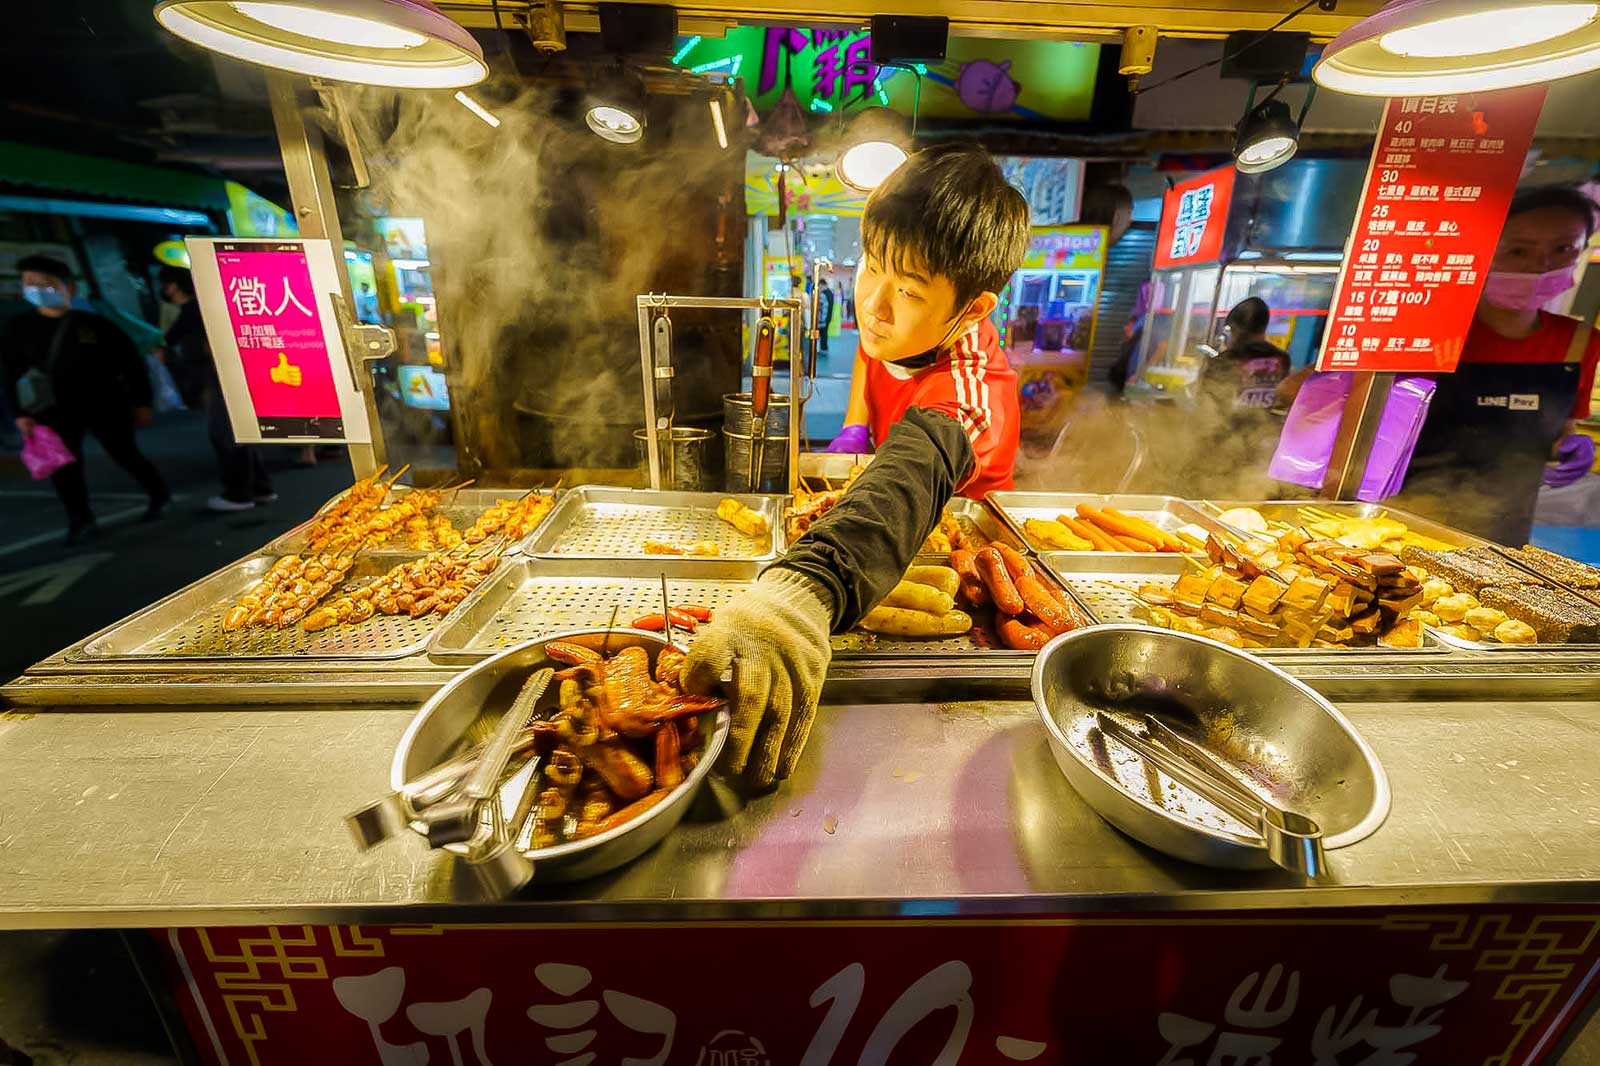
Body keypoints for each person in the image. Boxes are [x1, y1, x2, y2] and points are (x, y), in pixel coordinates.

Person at [685, 143, 1029, 786]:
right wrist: (853, 425)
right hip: (880, 510)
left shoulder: (972, 391)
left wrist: (806, 590)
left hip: (952, 571)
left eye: (907, 290)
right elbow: (874, 351)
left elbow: (915, 471)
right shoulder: (905, 324)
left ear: (973, 310)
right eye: (872, 267)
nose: (873, 303)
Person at [1399, 186, 1600, 545]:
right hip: (1406, 516)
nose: (1540, 266)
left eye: (1562, 249)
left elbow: (1561, 432)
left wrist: (1569, 448)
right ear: (1486, 251)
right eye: (1519, 250)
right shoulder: (1430, 331)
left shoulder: (1580, 343)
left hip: (1506, 529)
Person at [3, 254, 169, 543]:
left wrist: (142, 402)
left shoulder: (95, 325)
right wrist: (19, 413)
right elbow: (9, 373)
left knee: (124, 453)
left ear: (70, 288)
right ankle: (80, 519)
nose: (38, 289)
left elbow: (131, 364)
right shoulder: (18, 328)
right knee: (63, 467)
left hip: (104, 403)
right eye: (30, 283)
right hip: (49, 409)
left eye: (47, 283)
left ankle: (158, 494)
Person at [157, 265, 276, 512]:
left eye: (166, 283)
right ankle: (260, 488)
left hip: (219, 380)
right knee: (240, 433)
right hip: (225, 378)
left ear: (174, 286)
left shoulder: (192, 312)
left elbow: (169, 340)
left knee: (227, 435)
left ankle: (240, 493)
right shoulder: (201, 309)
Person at [816, 278, 834, 354]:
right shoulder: (830, 293)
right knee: (824, 333)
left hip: (823, 317)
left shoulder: (823, 294)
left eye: (819, 286)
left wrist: (820, 318)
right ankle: (824, 348)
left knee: (823, 333)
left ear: (822, 285)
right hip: (828, 316)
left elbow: (822, 307)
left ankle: (823, 348)